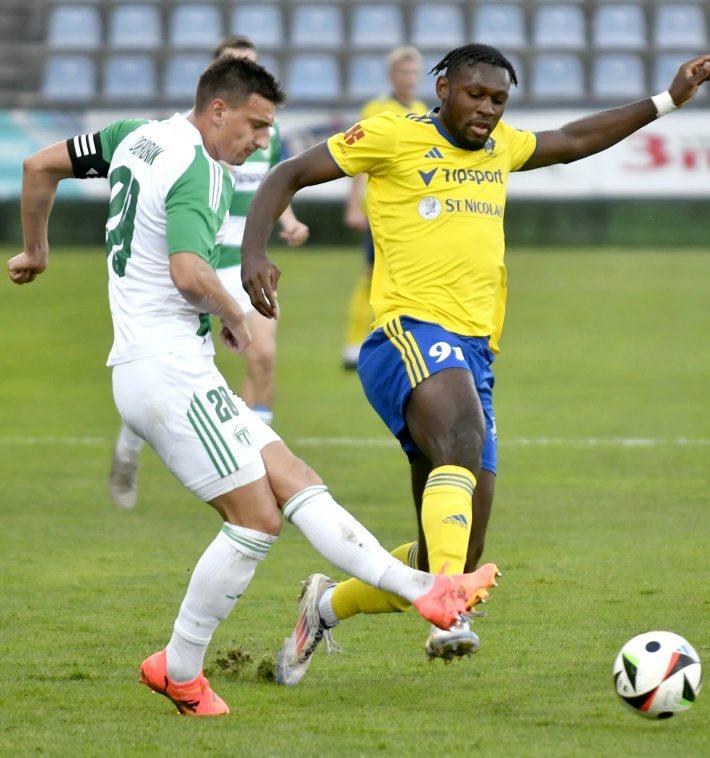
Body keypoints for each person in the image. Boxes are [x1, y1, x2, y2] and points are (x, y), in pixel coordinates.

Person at [9, 55, 498, 716]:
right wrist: (235, 312)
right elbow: (188, 271)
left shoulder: (135, 135)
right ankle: (179, 669)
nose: (262, 142)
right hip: (167, 372)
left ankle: (425, 590)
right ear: (218, 109)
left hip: (164, 365)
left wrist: (37, 249)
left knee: (294, 477)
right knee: (256, 521)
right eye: (256, 125)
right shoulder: (198, 168)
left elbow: (40, 166)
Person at [240, 43, 710, 673]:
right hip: (405, 333)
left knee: (457, 551)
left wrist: (667, 99)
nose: (488, 110)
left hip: (474, 354)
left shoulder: (501, 148)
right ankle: (452, 611)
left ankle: (326, 608)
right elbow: (289, 174)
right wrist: (254, 251)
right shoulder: (391, 134)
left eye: (499, 100)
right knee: (462, 441)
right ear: (443, 88)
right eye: (476, 94)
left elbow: (574, 138)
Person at [107, 35, 309, 510]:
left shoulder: (268, 132)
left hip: (247, 264)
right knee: (187, 376)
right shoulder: (191, 141)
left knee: (262, 357)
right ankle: (128, 448)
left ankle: (258, 467)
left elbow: (273, 184)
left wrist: (290, 220)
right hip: (200, 262)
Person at [342, 46, 428, 370]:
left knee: (407, 278)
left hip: (413, 210)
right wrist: (353, 204)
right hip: (382, 208)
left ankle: (396, 342)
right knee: (371, 276)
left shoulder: (421, 109)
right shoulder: (377, 108)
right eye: (404, 72)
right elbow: (360, 158)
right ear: (392, 75)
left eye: (414, 72)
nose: (409, 78)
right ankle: (354, 345)